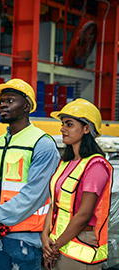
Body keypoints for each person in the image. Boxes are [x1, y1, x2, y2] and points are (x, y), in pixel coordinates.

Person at [0, 78, 61, 270]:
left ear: (27, 106)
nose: (2, 105)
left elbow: (35, 194)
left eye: (10, 101)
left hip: (25, 239)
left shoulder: (42, 144)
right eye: (1, 101)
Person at [42, 99, 112, 270]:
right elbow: (54, 203)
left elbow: (84, 214)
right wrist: (45, 237)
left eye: (69, 124)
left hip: (79, 244)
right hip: (57, 243)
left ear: (86, 128)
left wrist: (56, 246)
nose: (62, 128)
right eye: (63, 123)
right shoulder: (66, 163)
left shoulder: (95, 166)